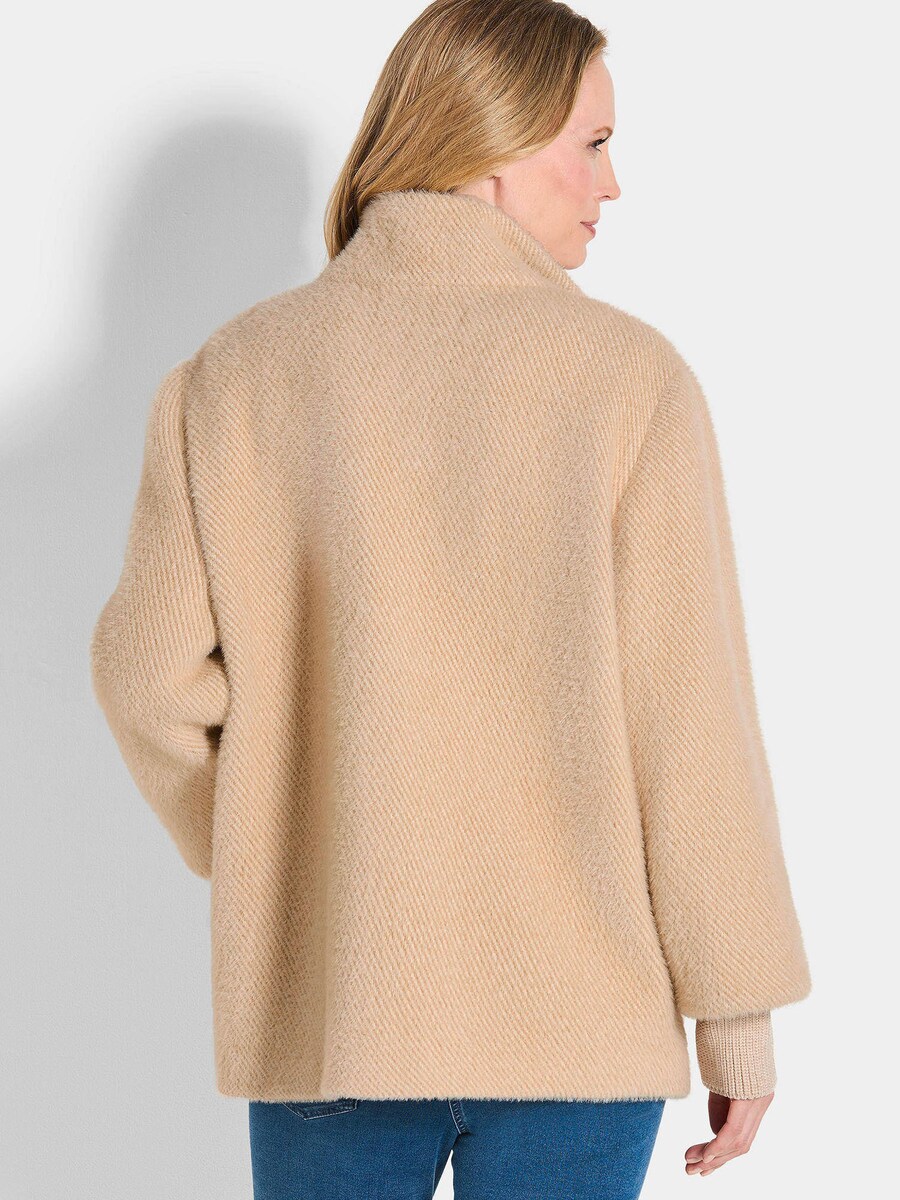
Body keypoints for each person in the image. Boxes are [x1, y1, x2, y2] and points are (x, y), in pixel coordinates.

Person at [88, 1, 812, 1196]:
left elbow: (144, 677)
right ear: (492, 145)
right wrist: (736, 1020)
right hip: (582, 1027)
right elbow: (690, 737)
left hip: (335, 1010)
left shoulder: (233, 377)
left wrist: (283, 845)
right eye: (593, 143)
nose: (614, 182)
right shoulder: (628, 384)